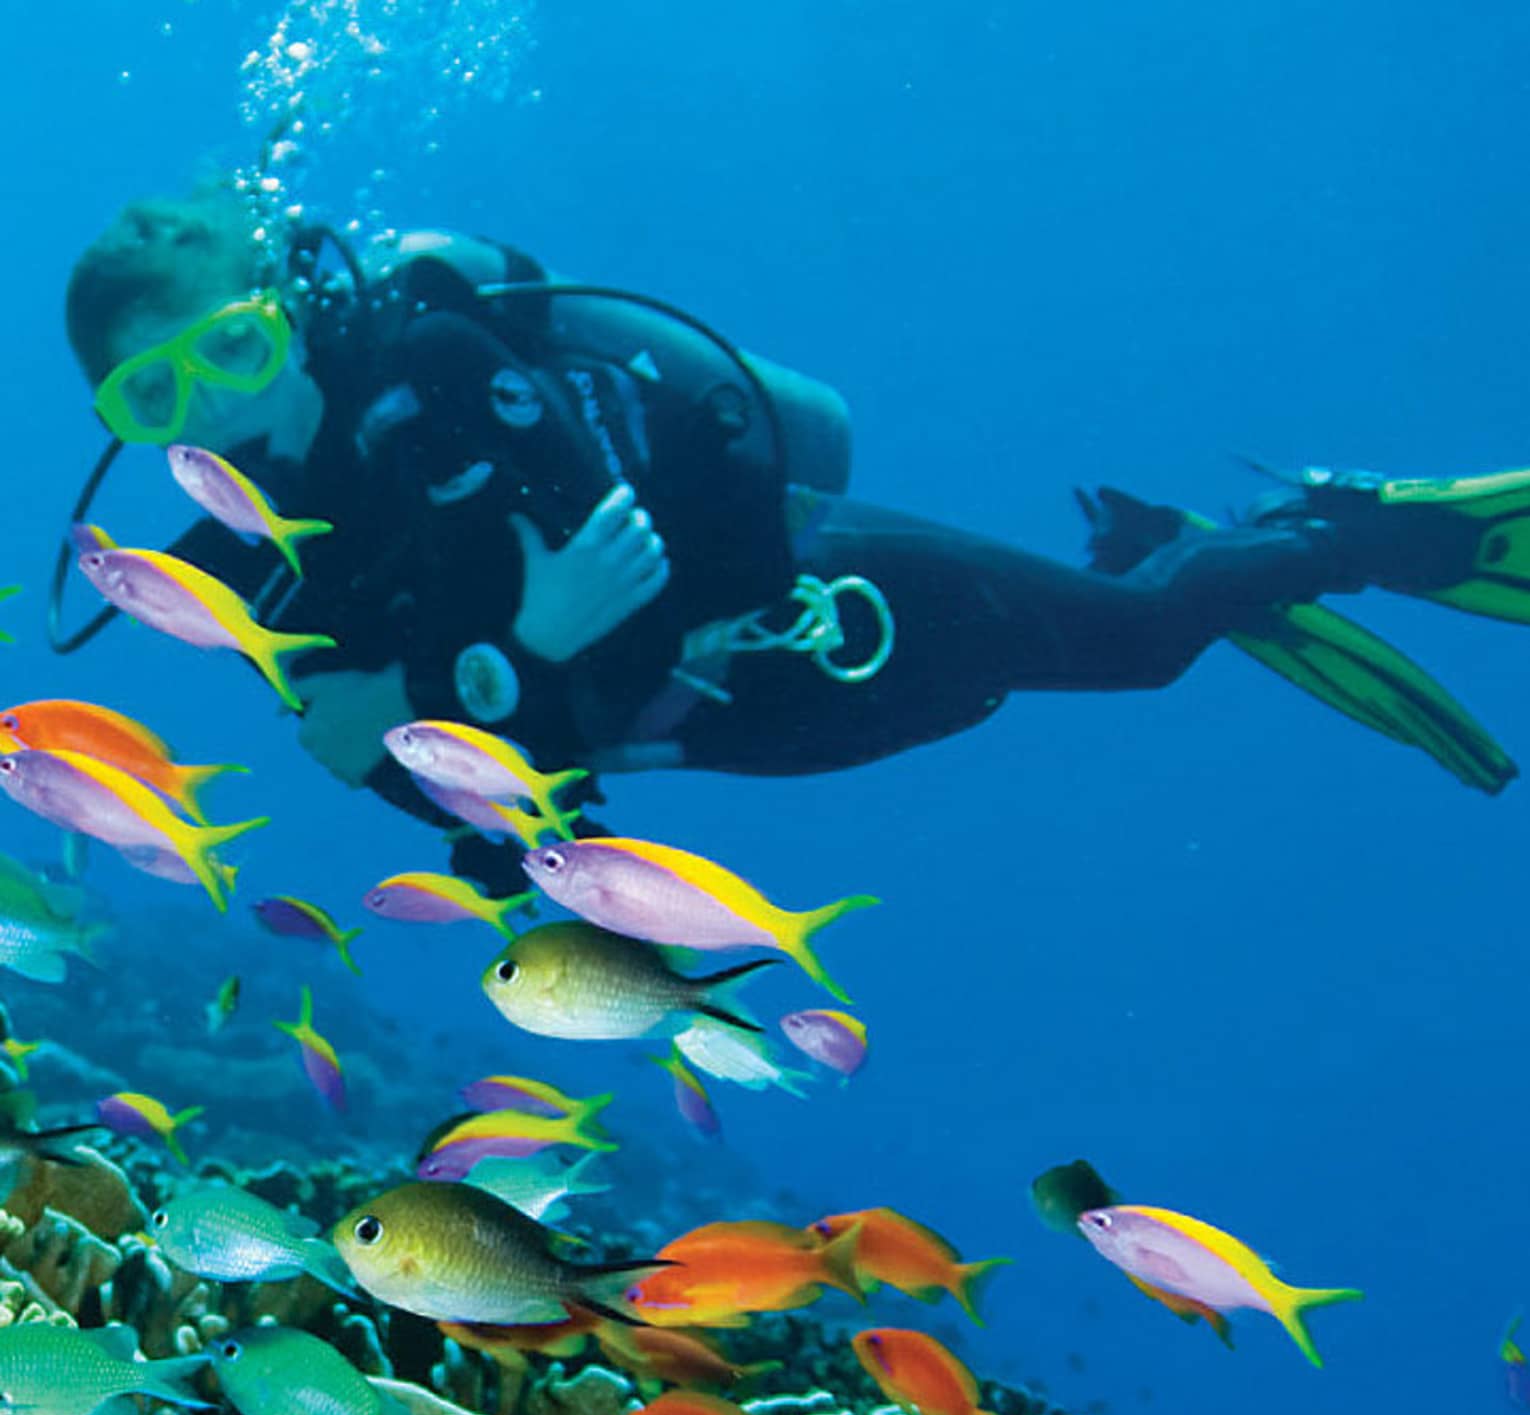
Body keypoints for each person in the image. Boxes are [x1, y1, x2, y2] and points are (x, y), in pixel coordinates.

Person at [58, 185, 1530, 882]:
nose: (216, 412)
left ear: (289, 309)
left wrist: (464, 681)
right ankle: (1149, 544)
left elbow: (642, 591)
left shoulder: (441, 373)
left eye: (234, 350)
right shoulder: (240, 567)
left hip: (837, 610)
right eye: (156, 390)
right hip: (746, 732)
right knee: (1080, 637)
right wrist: (474, 720)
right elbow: (475, 804)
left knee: (1144, 647)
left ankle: (1347, 533)